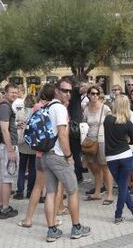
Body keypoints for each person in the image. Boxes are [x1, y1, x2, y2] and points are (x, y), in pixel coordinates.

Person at [43, 78, 90, 242]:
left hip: (46, 155)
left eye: (70, 91)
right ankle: (76, 228)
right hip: (59, 156)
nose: (68, 94)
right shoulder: (60, 109)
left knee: (50, 193)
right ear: (57, 90)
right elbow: (63, 135)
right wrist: (69, 156)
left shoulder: (47, 107)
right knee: (73, 191)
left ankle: (52, 230)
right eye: (64, 90)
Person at [17, 84, 58, 228]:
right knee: (53, 189)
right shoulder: (55, 108)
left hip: (39, 153)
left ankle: (28, 219)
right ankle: (52, 222)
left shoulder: (36, 108)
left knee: (37, 187)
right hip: (53, 153)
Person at [104, 95, 133, 224]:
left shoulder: (107, 120)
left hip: (111, 157)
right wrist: (125, 138)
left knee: (122, 186)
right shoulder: (128, 122)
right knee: (123, 186)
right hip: (125, 155)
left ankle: (123, 214)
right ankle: (129, 213)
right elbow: (132, 141)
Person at [83, 85, 113, 204]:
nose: (95, 95)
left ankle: (109, 194)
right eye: (92, 93)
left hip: (102, 140)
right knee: (93, 167)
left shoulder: (105, 108)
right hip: (89, 141)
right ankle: (97, 192)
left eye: (97, 93)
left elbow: (111, 122)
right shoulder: (86, 108)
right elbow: (84, 124)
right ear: (89, 95)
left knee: (104, 167)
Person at [0, 83, 20, 219]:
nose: (14, 95)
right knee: (7, 179)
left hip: (3, 146)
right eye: (12, 92)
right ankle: (5, 208)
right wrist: (11, 150)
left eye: (16, 92)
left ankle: (0, 205)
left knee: (3, 177)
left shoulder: (4, 106)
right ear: (5, 93)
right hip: (7, 147)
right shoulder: (5, 107)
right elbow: (4, 130)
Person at [14, 94, 36, 200]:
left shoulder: (20, 111)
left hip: (22, 142)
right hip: (33, 143)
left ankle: (19, 192)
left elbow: (16, 123)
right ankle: (30, 191)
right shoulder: (35, 112)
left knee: (22, 168)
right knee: (32, 168)